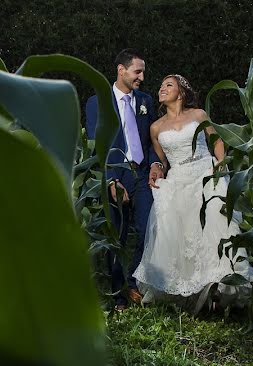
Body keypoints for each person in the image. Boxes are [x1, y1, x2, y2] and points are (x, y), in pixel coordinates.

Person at [133, 74, 253, 313]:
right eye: (160, 86)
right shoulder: (156, 127)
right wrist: (157, 169)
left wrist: (220, 164)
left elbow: (217, 141)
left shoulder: (198, 115)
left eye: (168, 85)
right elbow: (161, 160)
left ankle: (220, 288)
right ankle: (186, 292)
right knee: (181, 234)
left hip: (204, 174)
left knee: (212, 228)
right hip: (178, 179)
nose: (162, 88)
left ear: (182, 92)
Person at [85, 49, 166, 311]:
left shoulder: (144, 101)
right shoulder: (98, 102)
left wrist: (155, 163)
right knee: (116, 236)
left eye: (143, 72)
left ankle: (133, 283)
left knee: (147, 230)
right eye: (137, 71)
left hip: (142, 174)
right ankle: (118, 294)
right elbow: (98, 145)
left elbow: (153, 139)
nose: (141, 77)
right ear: (121, 70)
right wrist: (110, 180)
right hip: (115, 174)